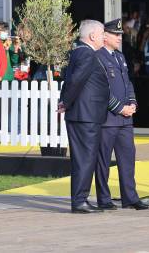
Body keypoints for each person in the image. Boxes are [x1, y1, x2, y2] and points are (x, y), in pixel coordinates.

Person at [94, 19, 149, 211]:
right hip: (108, 119)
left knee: (127, 159)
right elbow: (101, 90)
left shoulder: (119, 56)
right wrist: (120, 108)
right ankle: (104, 198)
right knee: (103, 161)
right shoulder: (98, 57)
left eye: (120, 35)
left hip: (125, 120)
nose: (119, 37)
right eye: (115, 34)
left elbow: (127, 83)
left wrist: (132, 102)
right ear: (104, 36)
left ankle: (130, 197)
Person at [58, 20, 110, 214]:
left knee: (84, 158)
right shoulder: (87, 53)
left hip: (84, 114)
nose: (105, 36)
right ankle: (80, 201)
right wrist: (66, 102)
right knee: (85, 159)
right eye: (102, 33)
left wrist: (65, 101)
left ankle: (81, 199)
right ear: (92, 36)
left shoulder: (80, 52)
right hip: (85, 115)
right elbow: (75, 80)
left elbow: (71, 80)